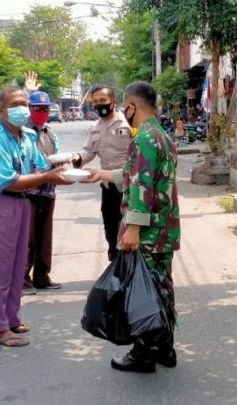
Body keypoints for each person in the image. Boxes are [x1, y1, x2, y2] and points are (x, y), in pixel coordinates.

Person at [84, 81, 180, 373]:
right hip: (164, 229)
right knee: (161, 288)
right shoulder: (161, 135)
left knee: (142, 293)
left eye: (124, 104)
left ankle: (143, 353)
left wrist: (132, 229)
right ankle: (165, 347)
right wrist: (104, 173)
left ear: (131, 106)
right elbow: (133, 173)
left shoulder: (143, 140)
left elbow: (141, 186)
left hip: (148, 231)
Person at [0, 85, 71, 348]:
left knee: (17, 265)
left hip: (21, 202)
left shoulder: (26, 136)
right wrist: (48, 177)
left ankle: (11, 317)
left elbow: (40, 165)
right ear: (0, 110)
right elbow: (6, 180)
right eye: (15, 104)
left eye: (24, 104)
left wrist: (63, 171)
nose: (22, 109)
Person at [71, 85, 134, 262]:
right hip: (108, 186)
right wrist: (76, 158)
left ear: (113, 101)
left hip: (129, 184)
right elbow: (88, 151)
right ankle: (115, 262)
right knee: (111, 226)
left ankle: (130, 264)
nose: (99, 105)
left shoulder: (127, 123)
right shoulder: (94, 127)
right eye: (96, 101)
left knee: (130, 225)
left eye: (103, 101)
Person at [23, 85, 63, 294]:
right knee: (27, 238)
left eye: (45, 109)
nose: (42, 113)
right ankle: (22, 278)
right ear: (29, 108)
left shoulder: (50, 133)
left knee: (44, 236)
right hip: (27, 191)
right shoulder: (21, 131)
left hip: (48, 190)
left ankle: (42, 276)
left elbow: (56, 156)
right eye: (37, 108)